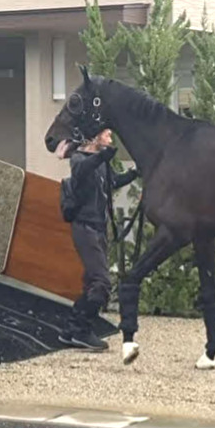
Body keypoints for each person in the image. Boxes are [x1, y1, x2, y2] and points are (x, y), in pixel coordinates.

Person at [58, 129, 138, 351]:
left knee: (92, 281)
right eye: (107, 135)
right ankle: (82, 331)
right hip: (84, 227)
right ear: (95, 137)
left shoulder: (101, 163)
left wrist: (135, 173)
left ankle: (72, 329)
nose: (111, 139)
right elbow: (83, 170)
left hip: (99, 228)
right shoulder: (78, 159)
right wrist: (102, 155)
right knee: (102, 282)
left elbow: (112, 181)